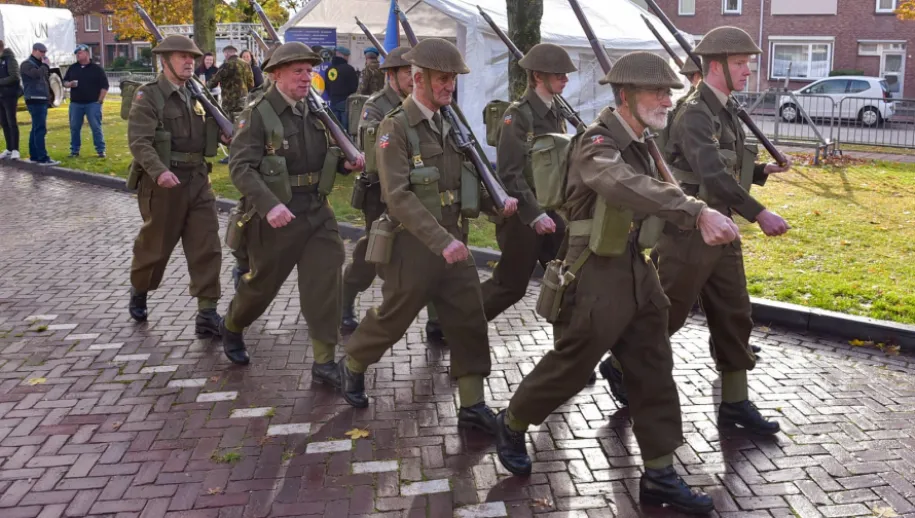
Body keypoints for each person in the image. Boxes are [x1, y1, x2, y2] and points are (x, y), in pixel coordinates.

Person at [493, 51, 742, 515]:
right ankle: (512, 421)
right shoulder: (599, 142)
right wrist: (694, 211)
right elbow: (621, 183)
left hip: (636, 269)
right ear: (626, 95)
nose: (667, 99)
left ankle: (661, 474)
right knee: (571, 365)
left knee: (652, 365)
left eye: (669, 91)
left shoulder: (644, 140)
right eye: (657, 91)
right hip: (594, 272)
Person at [338, 38, 519, 437]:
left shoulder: (448, 122)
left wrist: (497, 206)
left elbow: (466, 179)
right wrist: (442, 241)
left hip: (454, 243)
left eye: (452, 80)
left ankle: (472, 405)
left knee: (470, 321)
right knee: (393, 320)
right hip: (414, 247)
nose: (449, 87)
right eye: (442, 79)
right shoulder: (394, 128)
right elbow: (397, 196)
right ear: (417, 78)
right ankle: (352, 363)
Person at [218, 42, 365, 372]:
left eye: (308, 71)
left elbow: (322, 154)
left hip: (316, 211)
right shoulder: (257, 114)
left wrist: (346, 164)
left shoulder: (312, 110)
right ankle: (232, 324)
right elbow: (240, 168)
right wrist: (269, 206)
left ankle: (324, 361)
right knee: (262, 286)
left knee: (325, 282)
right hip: (277, 217)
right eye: (298, 71)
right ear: (275, 75)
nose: (306, 77)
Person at [126, 35, 227, 338]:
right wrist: (158, 172)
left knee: (207, 246)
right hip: (164, 184)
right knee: (155, 247)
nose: (189, 62)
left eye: (192, 57)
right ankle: (140, 289)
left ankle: (207, 312)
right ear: (164, 60)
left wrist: (223, 133)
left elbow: (214, 127)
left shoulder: (197, 94)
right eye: (182, 56)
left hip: (197, 179)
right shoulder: (150, 96)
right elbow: (140, 142)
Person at [341, 46, 443, 341]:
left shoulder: (427, 103)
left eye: (417, 73)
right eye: (407, 73)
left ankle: (436, 321)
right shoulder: (376, 106)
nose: (414, 78)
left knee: (432, 251)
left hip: (421, 191)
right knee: (374, 256)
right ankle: (344, 299)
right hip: (380, 194)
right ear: (390, 75)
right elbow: (375, 151)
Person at [481, 43, 572, 323]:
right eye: (558, 74)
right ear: (537, 77)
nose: (565, 79)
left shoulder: (557, 110)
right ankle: (460, 321)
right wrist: (535, 215)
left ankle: (571, 348)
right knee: (510, 286)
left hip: (554, 210)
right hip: (524, 215)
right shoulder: (517, 115)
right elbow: (510, 173)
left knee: (568, 283)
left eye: (564, 74)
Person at [208, 45, 254, 164]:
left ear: (227, 53)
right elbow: (251, 83)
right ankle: (244, 154)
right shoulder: (246, 64)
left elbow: (213, 82)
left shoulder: (226, 65)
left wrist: (205, 85)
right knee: (242, 128)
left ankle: (232, 156)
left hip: (230, 102)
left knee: (229, 129)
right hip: (244, 101)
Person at [63, 44, 109, 158]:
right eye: (76, 54)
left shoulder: (97, 69)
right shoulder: (73, 68)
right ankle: (74, 151)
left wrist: (99, 101)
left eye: (80, 53)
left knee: (96, 127)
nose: (77, 55)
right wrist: (69, 84)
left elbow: (105, 86)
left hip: (92, 103)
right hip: (75, 103)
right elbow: (64, 82)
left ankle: (100, 150)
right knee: (74, 127)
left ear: (87, 54)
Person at [20, 43, 57, 166]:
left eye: (45, 52)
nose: (44, 55)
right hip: (34, 99)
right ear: (34, 50)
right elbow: (36, 75)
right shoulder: (27, 64)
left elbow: (45, 80)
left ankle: (34, 156)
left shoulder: (40, 65)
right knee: (40, 128)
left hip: (42, 99)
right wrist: (45, 65)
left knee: (36, 128)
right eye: (41, 52)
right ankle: (42, 157)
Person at [324, 46, 359, 132]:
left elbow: (327, 86)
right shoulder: (349, 69)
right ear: (343, 56)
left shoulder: (329, 69)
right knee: (346, 130)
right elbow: (354, 87)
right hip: (345, 102)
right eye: (347, 56)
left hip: (333, 102)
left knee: (335, 129)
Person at [0, 39, 21, 160]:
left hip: (10, 95)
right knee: (4, 122)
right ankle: (8, 148)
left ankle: (15, 149)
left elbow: (14, 76)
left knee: (11, 121)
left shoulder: (10, 59)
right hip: (1, 95)